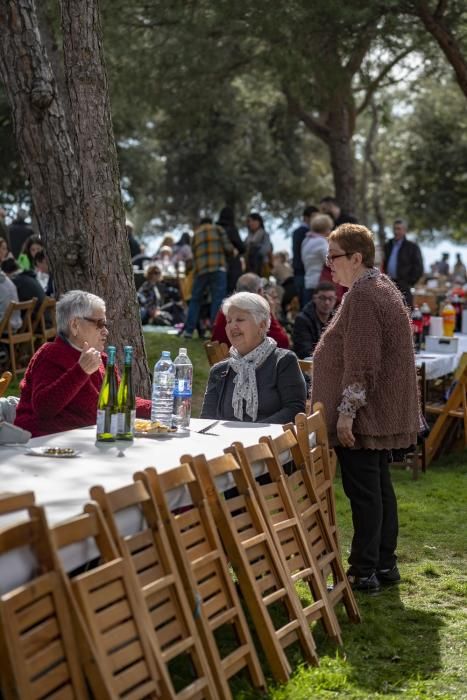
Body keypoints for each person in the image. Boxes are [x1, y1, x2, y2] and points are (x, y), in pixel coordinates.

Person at [311, 224, 419, 593]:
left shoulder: (363, 295)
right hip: (375, 411)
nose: (329, 266)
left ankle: (363, 571)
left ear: (356, 258)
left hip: (363, 414)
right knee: (378, 490)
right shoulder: (380, 287)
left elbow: (362, 361)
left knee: (365, 494)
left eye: (334, 257)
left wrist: (346, 412)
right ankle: (384, 565)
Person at [14, 290, 151, 437]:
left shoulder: (101, 359)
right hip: (42, 445)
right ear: (75, 325)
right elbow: (43, 408)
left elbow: (119, 401)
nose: (106, 331)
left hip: (86, 442)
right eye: (100, 323)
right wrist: (81, 371)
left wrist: (161, 408)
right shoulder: (50, 354)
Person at [201, 292, 306, 423]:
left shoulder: (283, 361)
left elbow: (294, 410)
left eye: (240, 319)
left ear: (261, 325)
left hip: (269, 441)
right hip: (227, 441)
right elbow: (206, 420)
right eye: (229, 321)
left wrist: (251, 435)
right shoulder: (219, 371)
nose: (232, 326)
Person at [181, 218, 233, 339]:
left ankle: (188, 331)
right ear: (211, 222)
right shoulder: (218, 229)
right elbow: (228, 248)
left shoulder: (196, 234)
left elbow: (193, 254)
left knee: (195, 300)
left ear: (201, 224)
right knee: (217, 299)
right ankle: (214, 331)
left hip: (201, 271)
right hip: (218, 268)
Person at [211, 272, 290, 349]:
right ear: (259, 291)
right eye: (263, 290)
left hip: (224, 358)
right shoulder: (257, 309)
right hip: (248, 360)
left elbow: (216, 339)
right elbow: (283, 342)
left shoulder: (226, 307)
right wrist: (271, 313)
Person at [383, 219, 424, 307]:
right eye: (394, 229)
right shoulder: (388, 245)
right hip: (389, 284)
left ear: (405, 230)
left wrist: (409, 282)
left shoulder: (412, 247)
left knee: (405, 311)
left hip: (404, 285)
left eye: (399, 229)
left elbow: (419, 267)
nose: (396, 231)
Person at [292, 281, 337, 358]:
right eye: (322, 298)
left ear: (335, 300)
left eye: (330, 298)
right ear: (314, 298)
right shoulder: (302, 320)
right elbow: (305, 351)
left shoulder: (337, 319)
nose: (327, 302)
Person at [301, 213, 334, 304]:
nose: (330, 231)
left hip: (308, 282)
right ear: (325, 228)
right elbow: (329, 261)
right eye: (329, 228)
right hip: (320, 284)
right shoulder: (321, 242)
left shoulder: (306, 241)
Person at [291, 205, 318, 308]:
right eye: (314, 217)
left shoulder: (299, 232)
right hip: (302, 273)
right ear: (306, 218)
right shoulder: (303, 232)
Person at [216, 206, 245, 293]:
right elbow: (242, 248)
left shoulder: (216, 229)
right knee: (232, 292)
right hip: (231, 265)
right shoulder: (231, 229)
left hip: (217, 265)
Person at [244, 213, 272, 277]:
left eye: (253, 221)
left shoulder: (264, 234)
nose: (251, 223)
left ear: (259, 222)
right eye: (249, 221)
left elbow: (267, 248)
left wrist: (256, 251)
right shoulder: (247, 237)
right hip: (249, 266)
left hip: (262, 266)